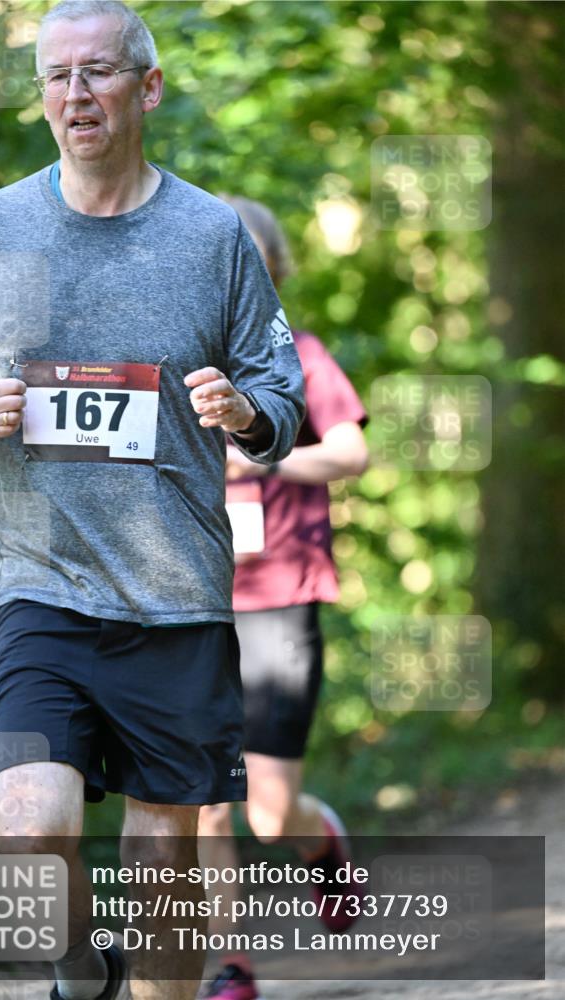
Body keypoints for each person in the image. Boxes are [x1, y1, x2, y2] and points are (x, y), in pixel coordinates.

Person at [0, 4, 304, 1000]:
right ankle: (81, 976)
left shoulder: (211, 234)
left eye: (96, 72)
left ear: (148, 86)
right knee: (25, 823)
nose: (75, 95)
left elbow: (283, 387)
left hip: (174, 597)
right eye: (56, 76)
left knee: (163, 872)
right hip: (38, 588)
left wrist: (245, 411)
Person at [197, 197, 369, 1000]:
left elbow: (349, 452)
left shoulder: (298, 354)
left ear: (272, 270)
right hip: (185, 604)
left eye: (249, 265)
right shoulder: (177, 363)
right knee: (201, 807)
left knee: (267, 813)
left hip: (277, 597)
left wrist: (262, 461)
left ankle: (322, 842)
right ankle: (232, 968)